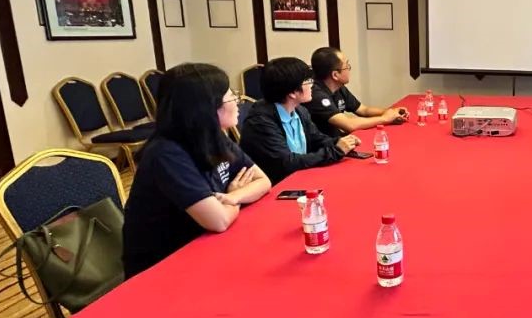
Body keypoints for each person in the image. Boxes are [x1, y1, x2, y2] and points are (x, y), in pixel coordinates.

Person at [122, 63, 271, 278]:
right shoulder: (167, 154)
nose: (238, 103)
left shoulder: (213, 136)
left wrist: (232, 197)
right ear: (207, 107)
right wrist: (234, 197)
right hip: (164, 269)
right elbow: (218, 221)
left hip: (206, 247)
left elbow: (263, 181)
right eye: (232, 97)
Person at [239, 57, 360, 184]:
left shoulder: (300, 110)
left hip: (299, 178)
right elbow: (287, 163)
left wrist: (340, 142)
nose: (312, 85)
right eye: (308, 81)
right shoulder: (260, 121)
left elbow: (317, 139)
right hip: (275, 185)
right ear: (292, 92)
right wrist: (336, 151)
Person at [304, 47, 409, 137]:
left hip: (339, 140)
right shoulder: (317, 95)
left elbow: (364, 110)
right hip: (325, 147)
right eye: (347, 66)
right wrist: (385, 118)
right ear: (335, 75)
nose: (349, 70)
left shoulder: (338, 87)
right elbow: (349, 125)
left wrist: (392, 112)